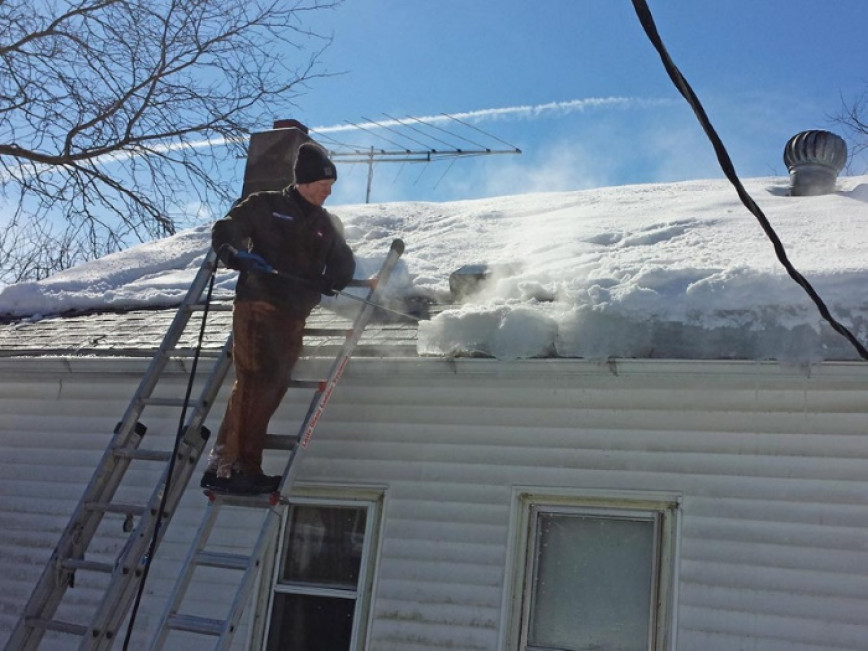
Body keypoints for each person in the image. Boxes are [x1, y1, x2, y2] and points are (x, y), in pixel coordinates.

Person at [200, 143, 355, 495]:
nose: (327, 191)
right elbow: (228, 229)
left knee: (273, 385)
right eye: (322, 184)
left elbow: (343, 260)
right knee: (257, 381)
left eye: (331, 186)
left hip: (293, 314)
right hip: (259, 305)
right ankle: (231, 467)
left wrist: (332, 280)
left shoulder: (325, 223)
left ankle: (236, 465)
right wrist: (235, 254)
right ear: (304, 180)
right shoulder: (266, 206)